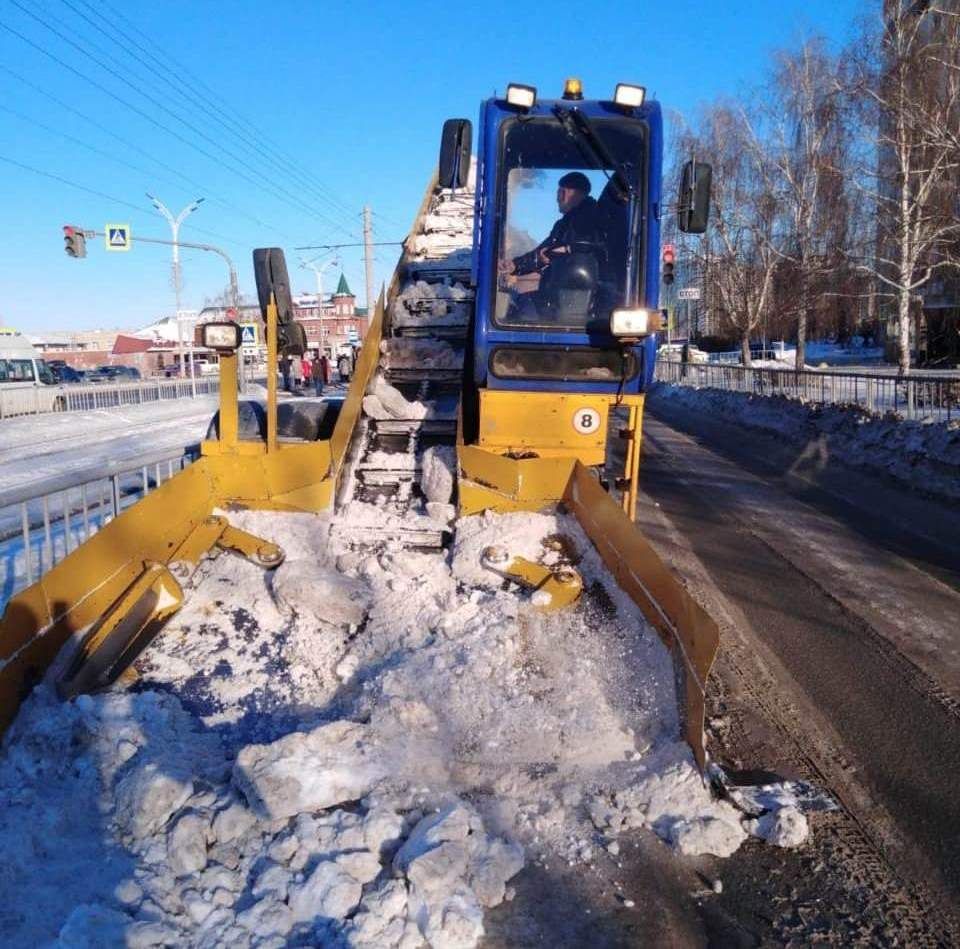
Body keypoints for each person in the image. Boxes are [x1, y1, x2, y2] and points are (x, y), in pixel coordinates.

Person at [500, 171, 603, 319]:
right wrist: (515, 266)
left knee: (521, 308)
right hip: (560, 291)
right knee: (521, 301)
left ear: (564, 193)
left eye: (558, 193)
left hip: (575, 293)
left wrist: (565, 250)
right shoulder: (564, 224)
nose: (557, 199)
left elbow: (592, 247)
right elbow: (542, 252)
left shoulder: (594, 218)